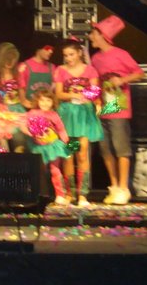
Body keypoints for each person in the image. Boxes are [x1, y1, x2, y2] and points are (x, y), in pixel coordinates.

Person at [89, 16, 144, 205]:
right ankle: (113, 186)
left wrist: (122, 80)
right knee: (105, 149)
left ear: (102, 35)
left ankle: (123, 187)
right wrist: (91, 98)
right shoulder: (95, 58)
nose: (90, 37)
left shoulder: (121, 54)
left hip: (119, 107)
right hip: (104, 107)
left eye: (93, 33)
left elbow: (139, 73)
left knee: (121, 148)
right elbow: (95, 83)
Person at [54, 38, 102, 207]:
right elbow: (59, 94)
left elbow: (95, 92)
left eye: (71, 54)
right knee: (69, 154)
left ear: (80, 53)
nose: (69, 58)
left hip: (83, 115)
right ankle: (70, 192)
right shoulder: (61, 70)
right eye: (66, 55)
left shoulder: (90, 70)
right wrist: (74, 95)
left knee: (82, 153)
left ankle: (83, 194)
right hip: (68, 115)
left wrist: (88, 98)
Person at [25, 89, 70, 206]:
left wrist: (65, 141)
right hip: (38, 147)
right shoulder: (32, 113)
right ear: (37, 101)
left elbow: (61, 129)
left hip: (53, 146)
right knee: (39, 170)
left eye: (48, 100)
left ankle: (60, 195)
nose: (45, 103)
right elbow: (23, 124)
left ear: (53, 102)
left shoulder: (54, 115)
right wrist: (29, 133)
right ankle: (38, 193)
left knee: (55, 170)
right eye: (42, 100)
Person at [0, 42, 28, 152]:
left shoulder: (18, 75)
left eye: (13, 59)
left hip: (16, 113)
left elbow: (23, 100)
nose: (10, 62)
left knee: (20, 145)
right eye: (7, 58)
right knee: (2, 149)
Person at [18, 33, 56, 109]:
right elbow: (21, 88)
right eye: (47, 48)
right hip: (28, 108)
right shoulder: (24, 66)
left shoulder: (52, 67)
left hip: (46, 109)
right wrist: (26, 103)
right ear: (38, 48)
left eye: (52, 49)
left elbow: (53, 90)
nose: (51, 51)